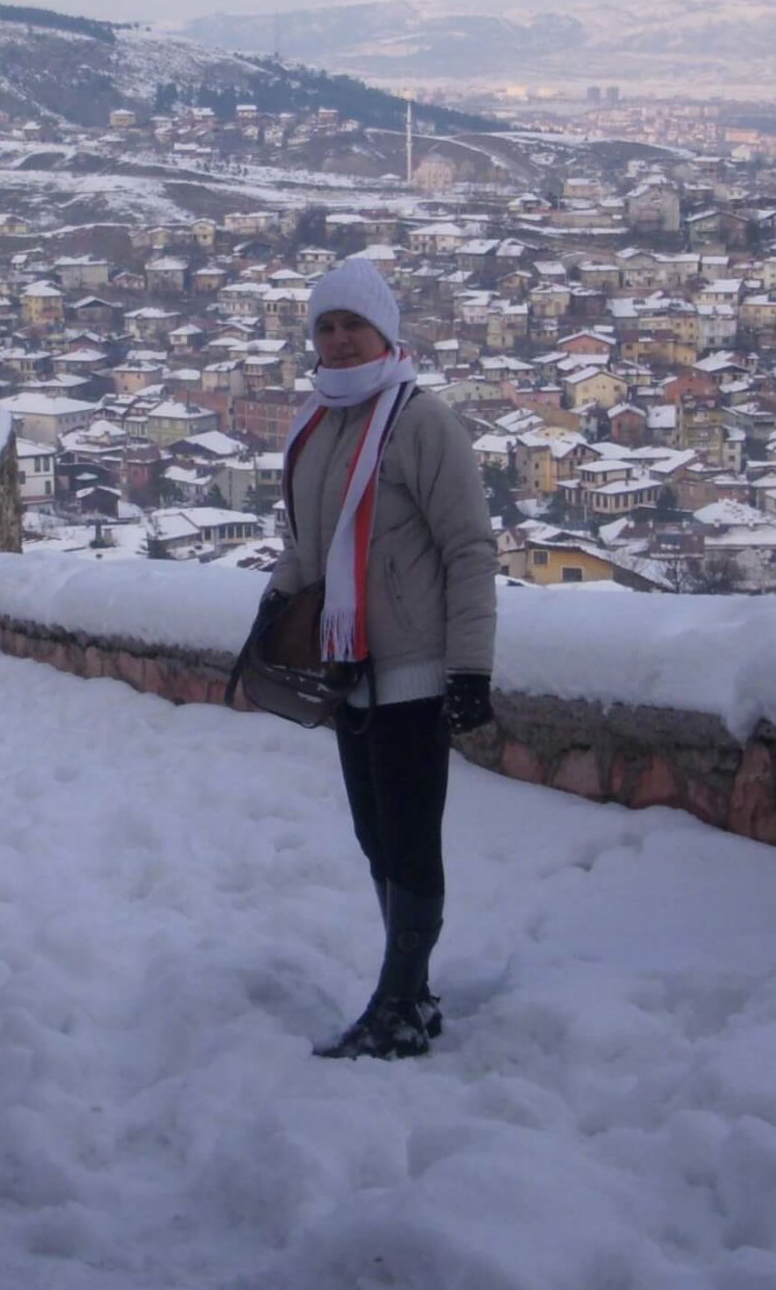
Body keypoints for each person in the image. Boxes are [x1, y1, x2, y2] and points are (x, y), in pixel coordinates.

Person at [265, 256, 497, 1060]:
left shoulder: (420, 421)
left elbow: (469, 548)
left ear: (385, 333)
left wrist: (471, 668)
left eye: (352, 325)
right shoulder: (316, 425)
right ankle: (411, 991)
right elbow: (307, 543)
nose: (338, 340)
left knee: (409, 836)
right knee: (374, 837)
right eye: (325, 327)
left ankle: (401, 1000)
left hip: (415, 668)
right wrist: (275, 597)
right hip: (348, 670)